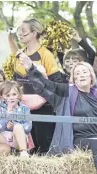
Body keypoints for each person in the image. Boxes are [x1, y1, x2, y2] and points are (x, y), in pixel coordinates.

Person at [8, 18, 64, 154]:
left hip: (43, 109)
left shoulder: (46, 54)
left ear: (35, 33)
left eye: (24, 31)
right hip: (23, 109)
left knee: (43, 148)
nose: (20, 34)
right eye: (19, 31)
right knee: (26, 148)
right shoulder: (19, 54)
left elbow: (56, 82)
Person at [0, 81, 34, 157]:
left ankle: (23, 152)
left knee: (17, 127)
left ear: (19, 95)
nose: (11, 98)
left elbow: (28, 127)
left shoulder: (25, 109)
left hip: (18, 139)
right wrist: (7, 115)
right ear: (2, 97)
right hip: (4, 140)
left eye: (14, 94)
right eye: (7, 95)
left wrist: (15, 126)